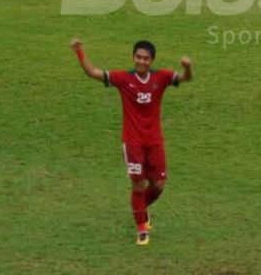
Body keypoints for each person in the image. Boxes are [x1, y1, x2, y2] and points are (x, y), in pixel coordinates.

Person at [70, 38, 192, 245]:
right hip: (133, 142)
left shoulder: (160, 77)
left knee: (159, 184)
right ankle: (141, 228)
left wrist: (188, 67)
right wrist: (79, 52)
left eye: (146, 58)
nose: (141, 61)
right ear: (133, 57)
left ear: (152, 60)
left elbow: (185, 78)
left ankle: (139, 209)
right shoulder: (123, 78)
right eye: (138, 57)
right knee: (138, 184)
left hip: (155, 141)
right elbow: (93, 73)